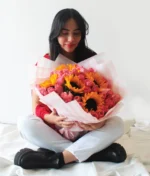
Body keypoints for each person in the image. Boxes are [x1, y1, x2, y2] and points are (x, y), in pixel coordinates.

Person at [14, 8, 127, 169]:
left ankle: (56, 159)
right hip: (56, 129)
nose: (70, 39)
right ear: (55, 34)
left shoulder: (92, 59)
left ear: (82, 35)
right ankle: (92, 153)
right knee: (25, 123)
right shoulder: (46, 62)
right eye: (64, 33)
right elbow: (36, 106)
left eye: (76, 33)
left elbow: (105, 99)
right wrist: (50, 118)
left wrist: (99, 123)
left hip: (86, 130)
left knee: (117, 124)